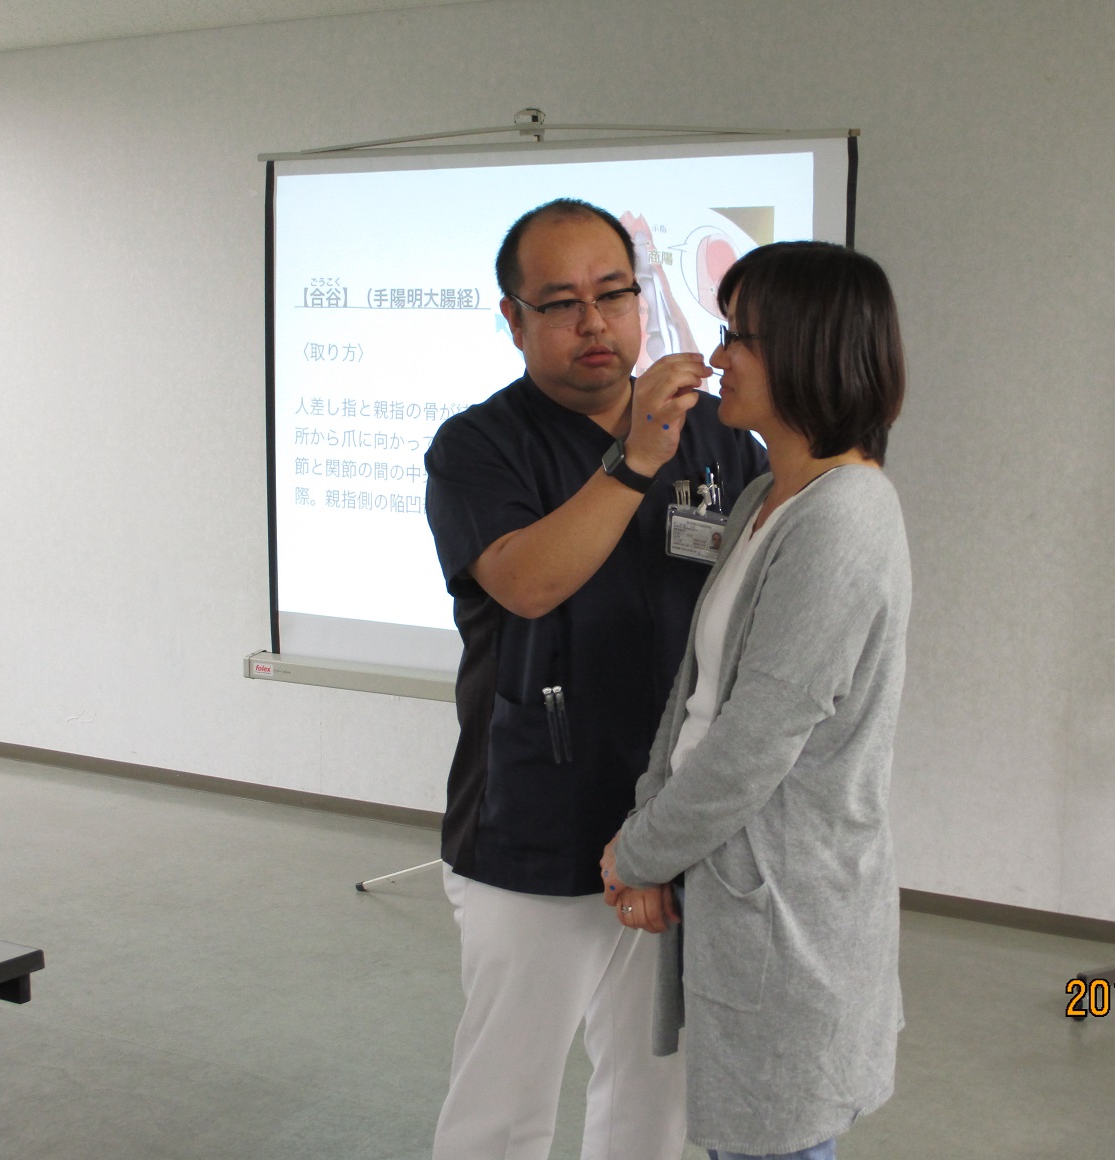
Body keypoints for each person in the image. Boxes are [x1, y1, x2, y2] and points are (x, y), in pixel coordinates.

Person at [423, 198, 767, 1160]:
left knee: (653, 1096)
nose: (595, 323)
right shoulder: (479, 446)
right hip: (537, 817)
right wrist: (637, 456)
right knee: (504, 1105)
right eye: (562, 303)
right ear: (513, 318)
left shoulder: (718, 438)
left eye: (614, 294)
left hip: (671, 823)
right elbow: (527, 584)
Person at [600, 241, 912, 1160]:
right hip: (734, 885)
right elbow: (695, 696)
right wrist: (648, 830)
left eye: (740, 336)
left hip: (790, 910)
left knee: (773, 1136)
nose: (717, 355)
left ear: (812, 350)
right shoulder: (767, 498)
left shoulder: (844, 519)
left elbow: (753, 742)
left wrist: (640, 852)